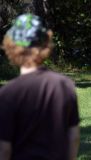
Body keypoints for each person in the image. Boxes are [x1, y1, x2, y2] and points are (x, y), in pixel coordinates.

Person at [0, 13, 80, 160]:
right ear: (45, 43)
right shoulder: (64, 85)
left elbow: (4, 149)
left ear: (11, 46)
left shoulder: (7, 94)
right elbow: (73, 137)